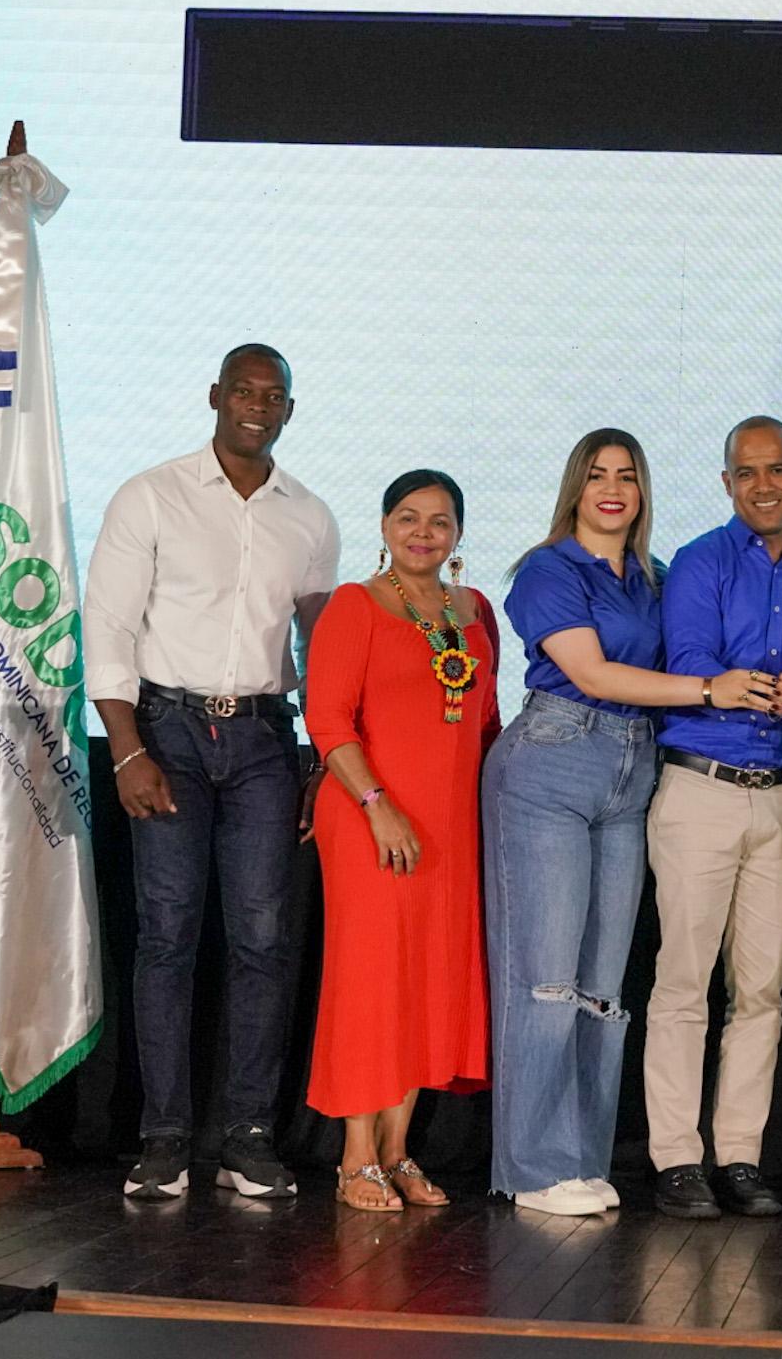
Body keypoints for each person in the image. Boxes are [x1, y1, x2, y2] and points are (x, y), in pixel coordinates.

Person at [483, 429, 777, 1217]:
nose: (612, 488)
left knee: (601, 985)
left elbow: (700, 650)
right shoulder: (547, 569)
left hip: (632, 767)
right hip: (553, 759)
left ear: (643, 490)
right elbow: (592, 671)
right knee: (545, 977)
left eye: (627, 476)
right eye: (596, 475)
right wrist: (711, 690)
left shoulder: (656, 577)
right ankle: (534, 1168)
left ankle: (579, 1159)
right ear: (575, 488)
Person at [84, 344, 340, 1200]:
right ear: (215, 397)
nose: (257, 406)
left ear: (289, 410)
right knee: (167, 935)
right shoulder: (150, 494)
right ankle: (163, 1138)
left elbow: (322, 647)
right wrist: (127, 748)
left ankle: (247, 1137)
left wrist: (324, 757)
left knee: (263, 940)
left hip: (265, 740)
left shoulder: (310, 517)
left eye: (274, 395)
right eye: (243, 390)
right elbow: (109, 624)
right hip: (168, 733)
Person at [641, 416, 782, 1220]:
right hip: (700, 788)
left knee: (763, 990)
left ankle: (738, 1155)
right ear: (727, 482)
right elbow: (690, 663)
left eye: (777, 470)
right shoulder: (699, 561)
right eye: (747, 472)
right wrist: (775, 685)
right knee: (683, 981)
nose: (763, 485)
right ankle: (676, 1158)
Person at [303, 470, 500, 1211]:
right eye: (409, 517)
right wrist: (378, 805)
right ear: (385, 527)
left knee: (427, 982)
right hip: (371, 817)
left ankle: (396, 1150)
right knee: (373, 981)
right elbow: (328, 720)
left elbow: (484, 719)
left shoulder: (475, 611)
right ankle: (355, 1157)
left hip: (449, 825)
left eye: (440, 521)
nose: (424, 532)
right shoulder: (355, 605)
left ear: (458, 534)